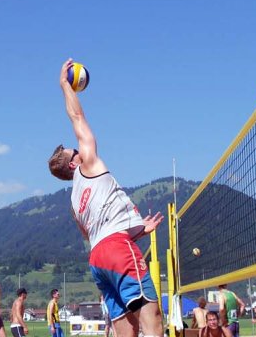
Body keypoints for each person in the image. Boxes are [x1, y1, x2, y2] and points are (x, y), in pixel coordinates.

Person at [47, 58, 164, 337]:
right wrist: (65, 86)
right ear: (74, 163)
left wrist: (134, 231)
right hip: (116, 249)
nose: (78, 148)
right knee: (153, 321)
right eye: (74, 151)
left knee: (126, 331)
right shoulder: (88, 164)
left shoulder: (75, 202)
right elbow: (77, 118)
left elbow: (94, 235)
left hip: (98, 260)